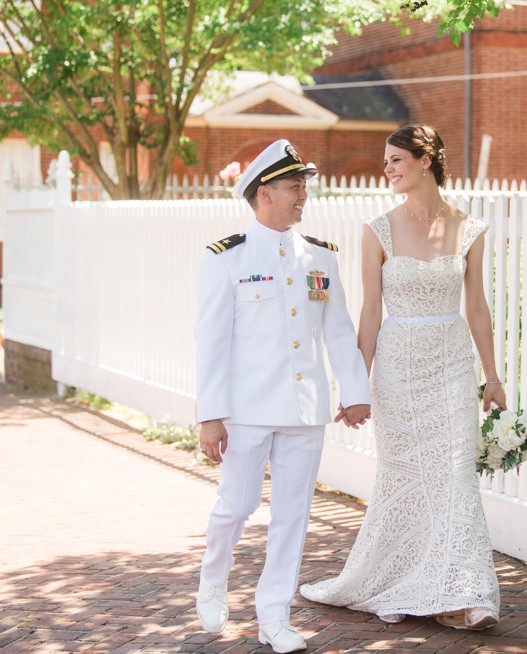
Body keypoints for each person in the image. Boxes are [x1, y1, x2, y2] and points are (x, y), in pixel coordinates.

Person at [299, 125, 506, 630]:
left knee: (455, 476)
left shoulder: (469, 228)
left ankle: (464, 591)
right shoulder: (378, 229)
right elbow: (370, 312)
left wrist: (492, 377)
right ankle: (402, 580)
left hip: (452, 363)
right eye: (385, 161)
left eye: (395, 160)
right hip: (398, 366)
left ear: (425, 159)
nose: (387, 169)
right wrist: (355, 387)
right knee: (405, 477)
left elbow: (477, 308)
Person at [194, 139, 371, 653]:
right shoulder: (226, 259)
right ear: (264, 193)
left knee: (293, 515)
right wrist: (212, 415)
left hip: (304, 408)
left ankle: (274, 616)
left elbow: (338, 331)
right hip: (246, 409)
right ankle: (213, 578)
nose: (303, 196)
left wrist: (354, 391)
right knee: (238, 503)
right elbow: (212, 342)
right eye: (295, 187)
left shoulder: (319, 257)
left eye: (304, 187)